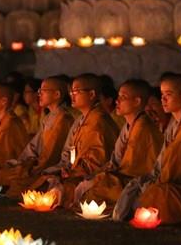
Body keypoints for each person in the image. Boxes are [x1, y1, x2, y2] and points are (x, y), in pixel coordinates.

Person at [114, 73, 181, 225]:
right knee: (143, 187)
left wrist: (156, 180)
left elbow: (178, 167)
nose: (163, 99)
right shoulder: (175, 122)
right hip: (170, 178)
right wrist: (152, 178)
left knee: (162, 193)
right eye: (162, 94)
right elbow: (163, 160)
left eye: (168, 95)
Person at [32, 74, 121, 208]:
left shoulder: (99, 122)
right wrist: (67, 168)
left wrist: (73, 172)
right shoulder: (81, 120)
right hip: (75, 171)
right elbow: (71, 152)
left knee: (67, 188)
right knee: (46, 181)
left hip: (95, 176)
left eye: (77, 92)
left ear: (91, 94)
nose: (72, 95)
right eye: (71, 92)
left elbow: (97, 162)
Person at [75, 78, 163, 209]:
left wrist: (103, 177)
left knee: (92, 194)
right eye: (118, 96)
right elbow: (115, 160)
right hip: (122, 177)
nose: (117, 101)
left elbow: (132, 169)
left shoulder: (143, 127)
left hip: (136, 181)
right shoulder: (129, 125)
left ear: (137, 101)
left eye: (123, 97)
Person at [0, 76, 74, 198]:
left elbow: (51, 154)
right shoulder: (48, 118)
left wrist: (34, 169)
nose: (39, 95)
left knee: (19, 180)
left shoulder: (63, 119)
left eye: (43, 91)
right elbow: (34, 145)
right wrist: (22, 162)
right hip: (38, 163)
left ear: (57, 94)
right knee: (6, 173)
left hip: (50, 167)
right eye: (38, 91)